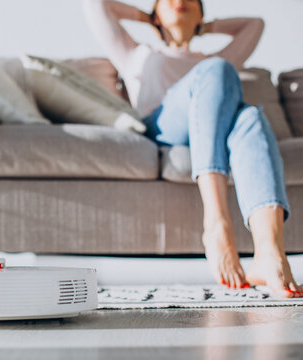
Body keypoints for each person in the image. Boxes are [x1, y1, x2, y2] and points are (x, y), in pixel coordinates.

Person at [83, 0, 302, 298]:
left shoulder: (209, 57)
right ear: (156, 14)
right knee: (217, 69)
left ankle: (270, 252)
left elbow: (255, 25)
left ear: (201, 14)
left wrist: (203, 28)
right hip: (164, 125)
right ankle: (216, 222)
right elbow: (96, 5)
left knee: (251, 116)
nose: (179, 1)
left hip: (212, 125)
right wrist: (148, 19)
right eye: (167, 0)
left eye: (189, 0)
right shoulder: (138, 53)